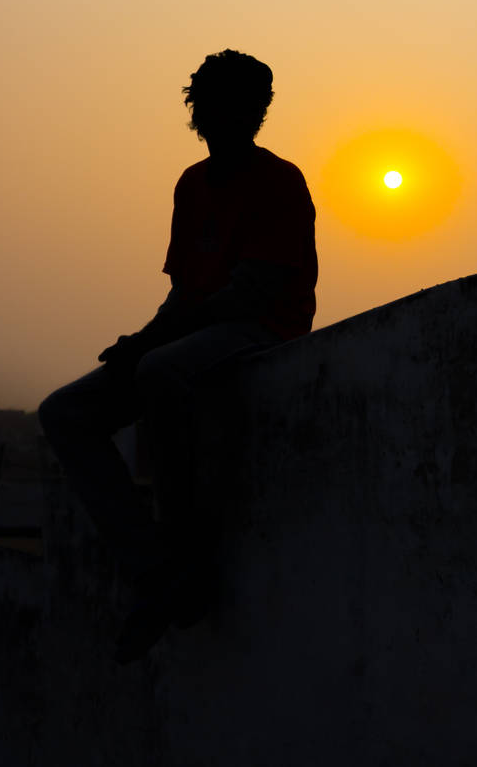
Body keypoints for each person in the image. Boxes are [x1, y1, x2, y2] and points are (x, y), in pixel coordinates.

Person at [38, 50, 317, 664]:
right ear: (197, 109)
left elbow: (250, 294)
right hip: (195, 331)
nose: (221, 116)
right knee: (64, 413)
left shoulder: (278, 181)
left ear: (258, 112)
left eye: (238, 105)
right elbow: (185, 293)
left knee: (161, 369)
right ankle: (156, 569)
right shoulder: (192, 184)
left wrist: (150, 345)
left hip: (263, 330)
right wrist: (140, 339)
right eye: (211, 102)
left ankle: (179, 540)